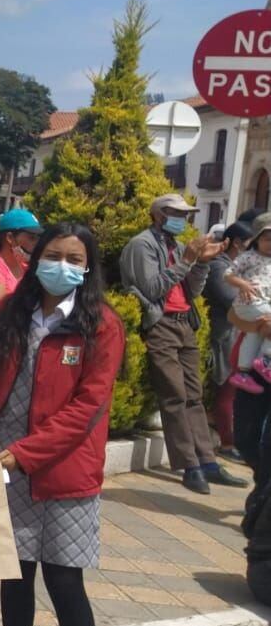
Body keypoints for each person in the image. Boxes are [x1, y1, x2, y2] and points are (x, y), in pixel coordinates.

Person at [0, 222, 122, 626]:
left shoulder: (100, 324)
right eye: (52, 254)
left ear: (88, 265)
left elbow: (88, 407)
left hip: (62, 471)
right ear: (35, 259)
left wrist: (26, 452)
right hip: (7, 463)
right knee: (16, 579)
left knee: (65, 586)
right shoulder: (15, 312)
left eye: (74, 257)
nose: (61, 263)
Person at [118, 193, 247, 495]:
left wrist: (202, 263)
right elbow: (151, 289)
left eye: (187, 215)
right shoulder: (143, 245)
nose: (184, 220)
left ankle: (208, 461)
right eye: (177, 214)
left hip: (185, 323)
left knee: (194, 396)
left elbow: (192, 289)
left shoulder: (175, 246)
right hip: (160, 323)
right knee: (174, 395)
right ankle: (189, 465)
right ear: (158, 215)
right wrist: (188, 260)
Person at [204, 220, 252, 461]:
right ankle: (226, 444)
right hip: (223, 337)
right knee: (226, 390)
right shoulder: (218, 268)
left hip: (236, 337)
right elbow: (234, 301)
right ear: (236, 243)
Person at [223, 212, 271, 394]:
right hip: (251, 304)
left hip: (259, 311)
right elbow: (228, 274)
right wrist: (242, 284)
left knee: (256, 333)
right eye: (267, 239)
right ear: (257, 239)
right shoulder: (249, 257)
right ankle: (265, 361)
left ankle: (246, 371)